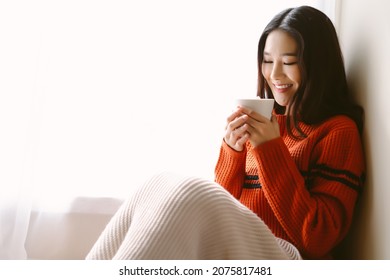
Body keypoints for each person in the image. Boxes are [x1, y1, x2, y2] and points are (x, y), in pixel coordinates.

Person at [86, 6, 365, 260]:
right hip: (241, 245)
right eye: (267, 61)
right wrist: (232, 151)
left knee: (189, 193)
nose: (275, 74)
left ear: (317, 65)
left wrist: (270, 150)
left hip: (288, 257)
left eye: (289, 62)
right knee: (158, 183)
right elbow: (223, 204)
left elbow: (318, 237)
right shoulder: (267, 123)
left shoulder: (337, 131)